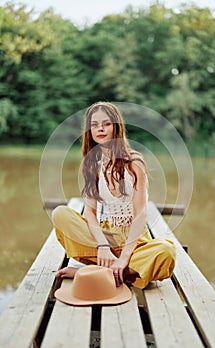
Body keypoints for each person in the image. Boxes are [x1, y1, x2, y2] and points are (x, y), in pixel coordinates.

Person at [52, 101, 176, 289]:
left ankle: (101, 272)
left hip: (135, 242)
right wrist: (102, 245)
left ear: (116, 127)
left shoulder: (134, 162)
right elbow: (90, 213)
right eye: (94, 125)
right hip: (105, 237)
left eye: (106, 123)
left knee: (166, 251)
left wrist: (125, 256)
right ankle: (117, 268)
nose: (100, 129)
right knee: (60, 214)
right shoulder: (91, 164)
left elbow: (140, 214)